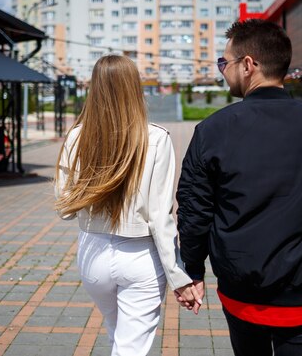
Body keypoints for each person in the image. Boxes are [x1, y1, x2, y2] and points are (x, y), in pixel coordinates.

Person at [175, 19, 302, 356]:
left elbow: (194, 209)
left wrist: (192, 269)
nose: (222, 71)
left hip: (242, 291)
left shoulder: (213, 130)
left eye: (225, 62)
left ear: (248, 65)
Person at [55, 55, 201, 356]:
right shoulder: (156, 139)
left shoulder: (76, 137)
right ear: (134, 88)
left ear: (94, 88)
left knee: (117, 338)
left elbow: (64, 208)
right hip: (141, 259)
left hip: (93, 254)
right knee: (130, 348)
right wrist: (178, 276)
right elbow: (161, 219)